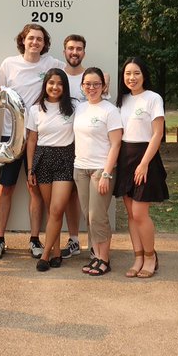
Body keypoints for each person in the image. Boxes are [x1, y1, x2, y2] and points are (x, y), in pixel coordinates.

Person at [0, 23, 64, 259]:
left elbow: (72, 77)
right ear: (23, 40)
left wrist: (103, 81)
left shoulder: (52, 64)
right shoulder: (9, 64)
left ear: (44, 43)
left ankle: (34, 239)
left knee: (34, 188)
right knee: (6, 187)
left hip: (38, 138)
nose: (35, 42)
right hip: (9, 138)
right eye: (31, 38)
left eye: (39, 39)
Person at [114, 57, 169, 278]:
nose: (132, 78)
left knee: (139, 213)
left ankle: (150, 256)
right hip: (124, 158)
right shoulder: (122, 100)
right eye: (127, 73)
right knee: (130, 214)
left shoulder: (153, 98)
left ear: (144, 75)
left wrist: (144, 163)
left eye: (136, 73)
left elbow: (158, 134)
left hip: (145, 158)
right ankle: (138, 257)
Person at [25, 68, 78, 271]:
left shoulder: (74, 107)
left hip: (66, 158)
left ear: (65, 87)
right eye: (51, 83)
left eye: (60, 83)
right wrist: (30, 169)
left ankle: (45, 255)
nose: (55, 87)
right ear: (45, 85)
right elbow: (32, 140)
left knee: (57, 209)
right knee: (50, 210)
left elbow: (95, 103)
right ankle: (56, 252)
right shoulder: (35, 109)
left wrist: (105, 85)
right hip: (43, 159)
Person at [72, 67, 123, 276]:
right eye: (87, 84)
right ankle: (95, 255)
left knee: (97, 216)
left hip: (101, 170)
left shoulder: (110, 110)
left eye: (96, 84)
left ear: (103, 87)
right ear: (82, 86)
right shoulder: (80, 108)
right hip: (80, 169)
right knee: (88, 216)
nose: (91, 88)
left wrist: (106, 174)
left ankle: (104, 259)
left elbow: (116, 144)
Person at [60, 34, 89, 258]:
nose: (74, 52)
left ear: (84, 53)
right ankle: (74, 240)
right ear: (64, 52)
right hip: (62, 144)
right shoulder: (57, 76)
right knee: (70, 194)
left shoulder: (91, 78)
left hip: (86, 145)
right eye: (71, 48)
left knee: (86, 195)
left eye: (79, 49)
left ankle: (96, 242)